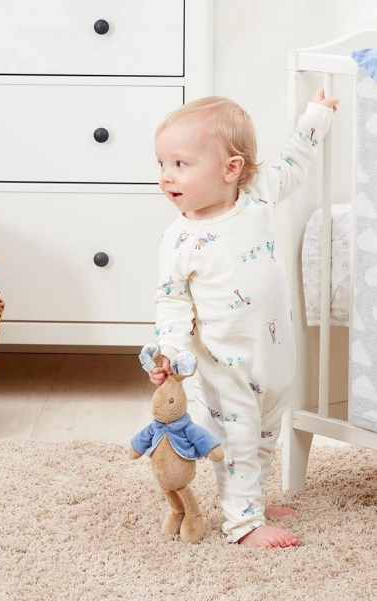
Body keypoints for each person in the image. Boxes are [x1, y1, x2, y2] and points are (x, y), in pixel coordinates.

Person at [148, 89, 339, 547]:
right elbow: (172, 302)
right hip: (224, 363)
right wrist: (169, 351)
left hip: (274, 355)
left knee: (265, 433)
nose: (166, 177)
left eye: (180, 164)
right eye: (161, 165)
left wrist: (318, 115)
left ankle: (251, 497)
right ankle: (243, 523)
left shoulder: (255, 196)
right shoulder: (179, 240)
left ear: (231, 169)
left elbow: (295, 161)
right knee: (236, 441)